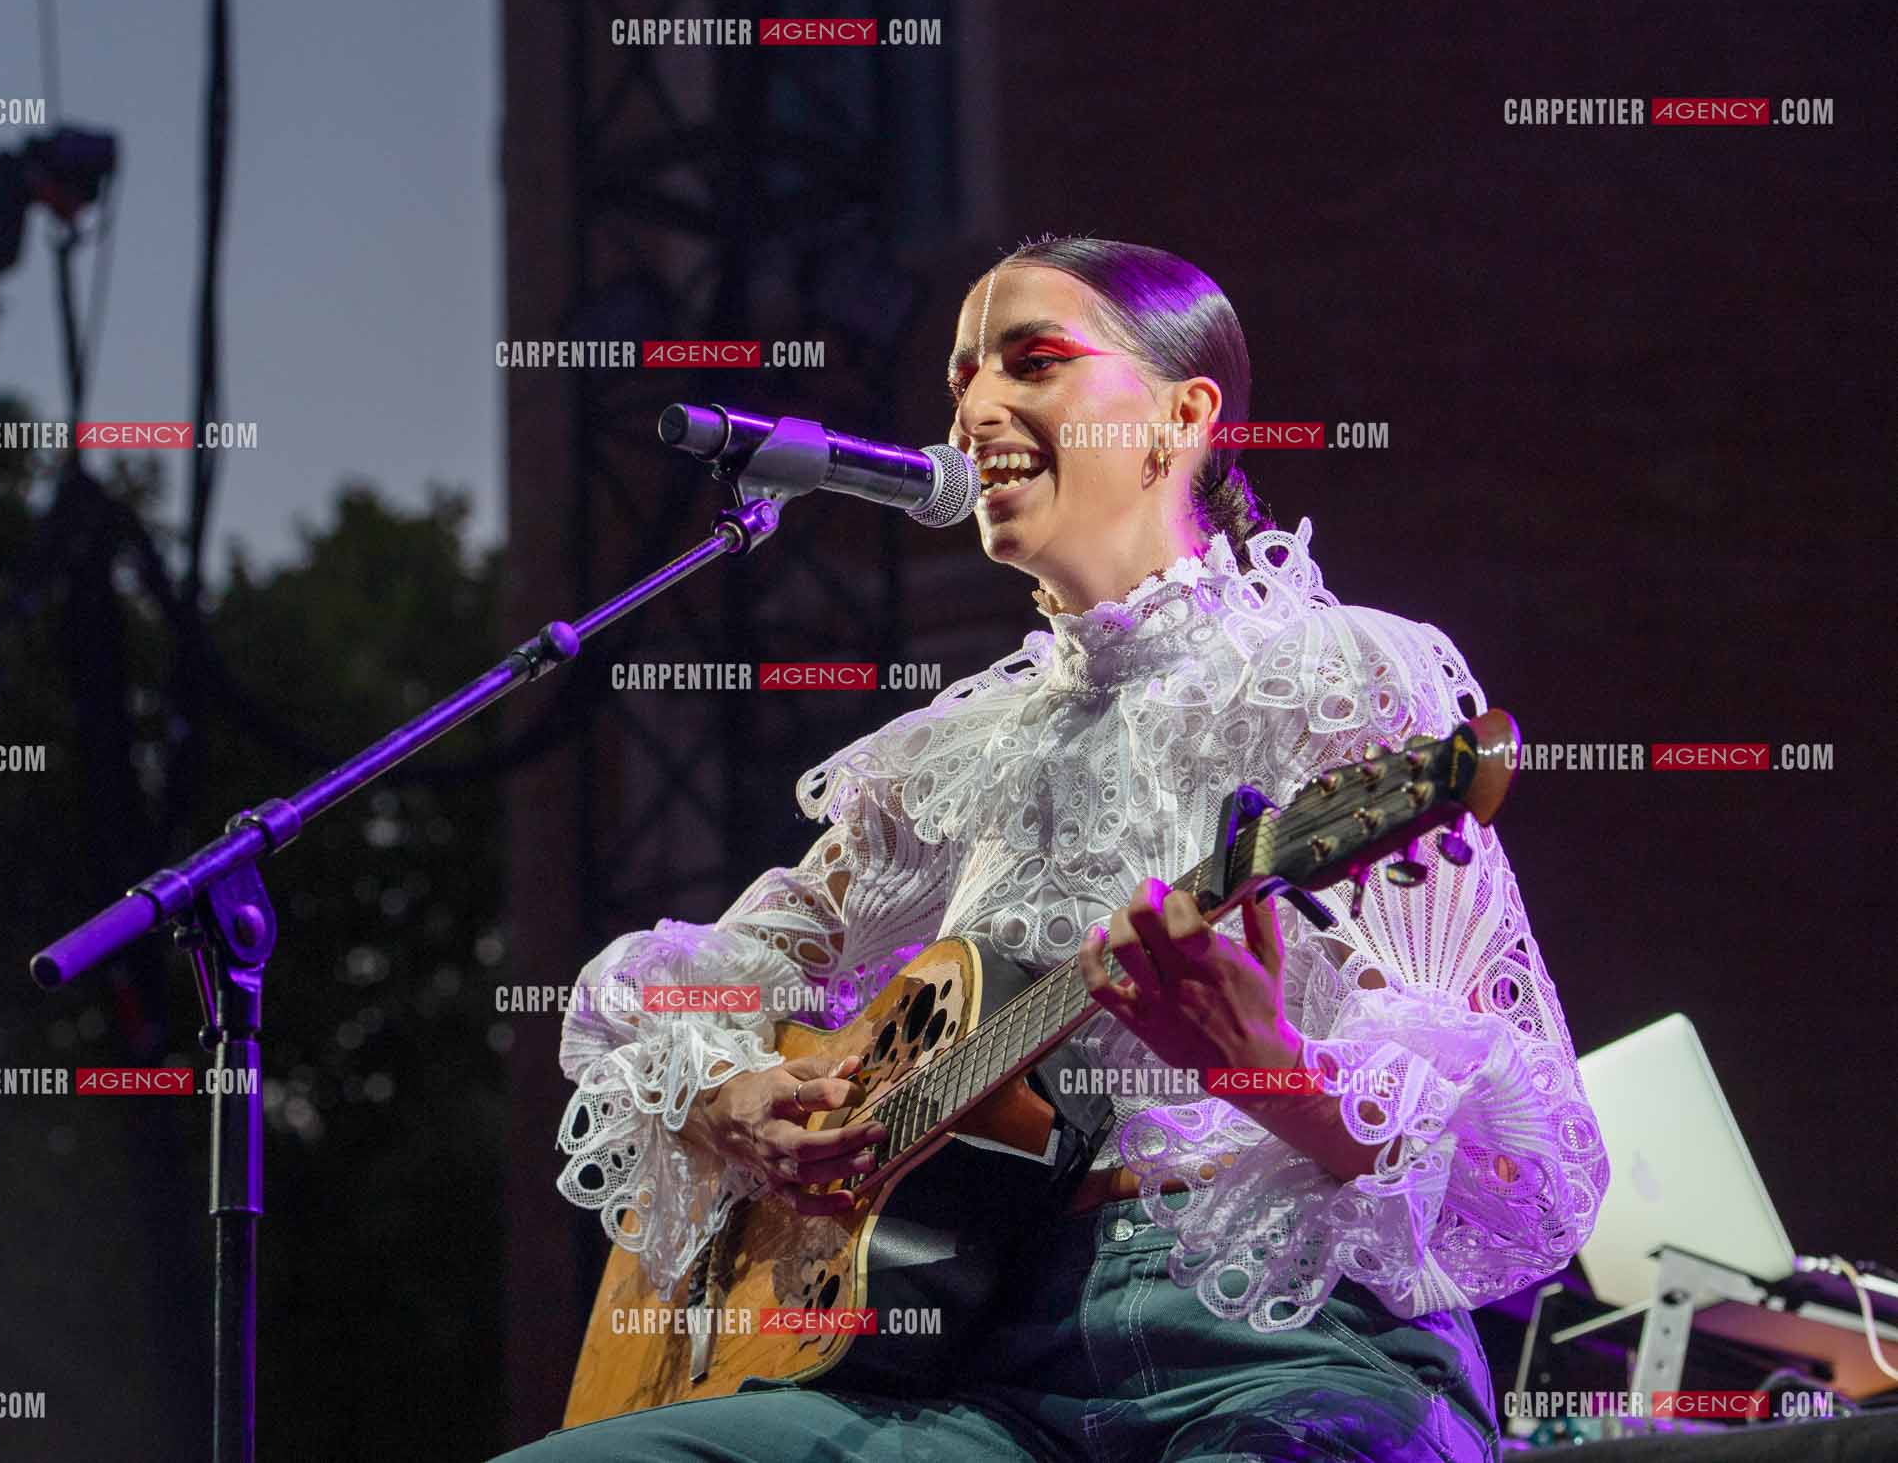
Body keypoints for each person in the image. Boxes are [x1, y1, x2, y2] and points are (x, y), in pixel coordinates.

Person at [496, 237, 1610, 1462]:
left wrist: (1268, 1066)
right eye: (962, 379)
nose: (976, 409)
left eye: (1034, 363)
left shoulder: (1341, 675)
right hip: (970, 1366)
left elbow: (1526, 1164)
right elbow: (700, 975)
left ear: (1180, 419)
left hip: (1289, 1350)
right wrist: (727, 1093)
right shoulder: (954, 751)